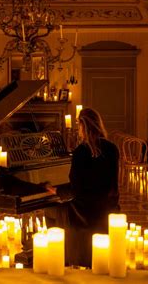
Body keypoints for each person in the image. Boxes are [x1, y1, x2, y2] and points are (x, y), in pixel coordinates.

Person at [45, 107, 120, 268]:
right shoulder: (112, 149)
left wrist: (56, 190)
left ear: (82, 126)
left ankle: (62, 257)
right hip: (107, 209)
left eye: (79, 126)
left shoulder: (81, 152)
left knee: (49, 210)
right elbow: (112, 184)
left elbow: (75, 191)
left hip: (83, 213)